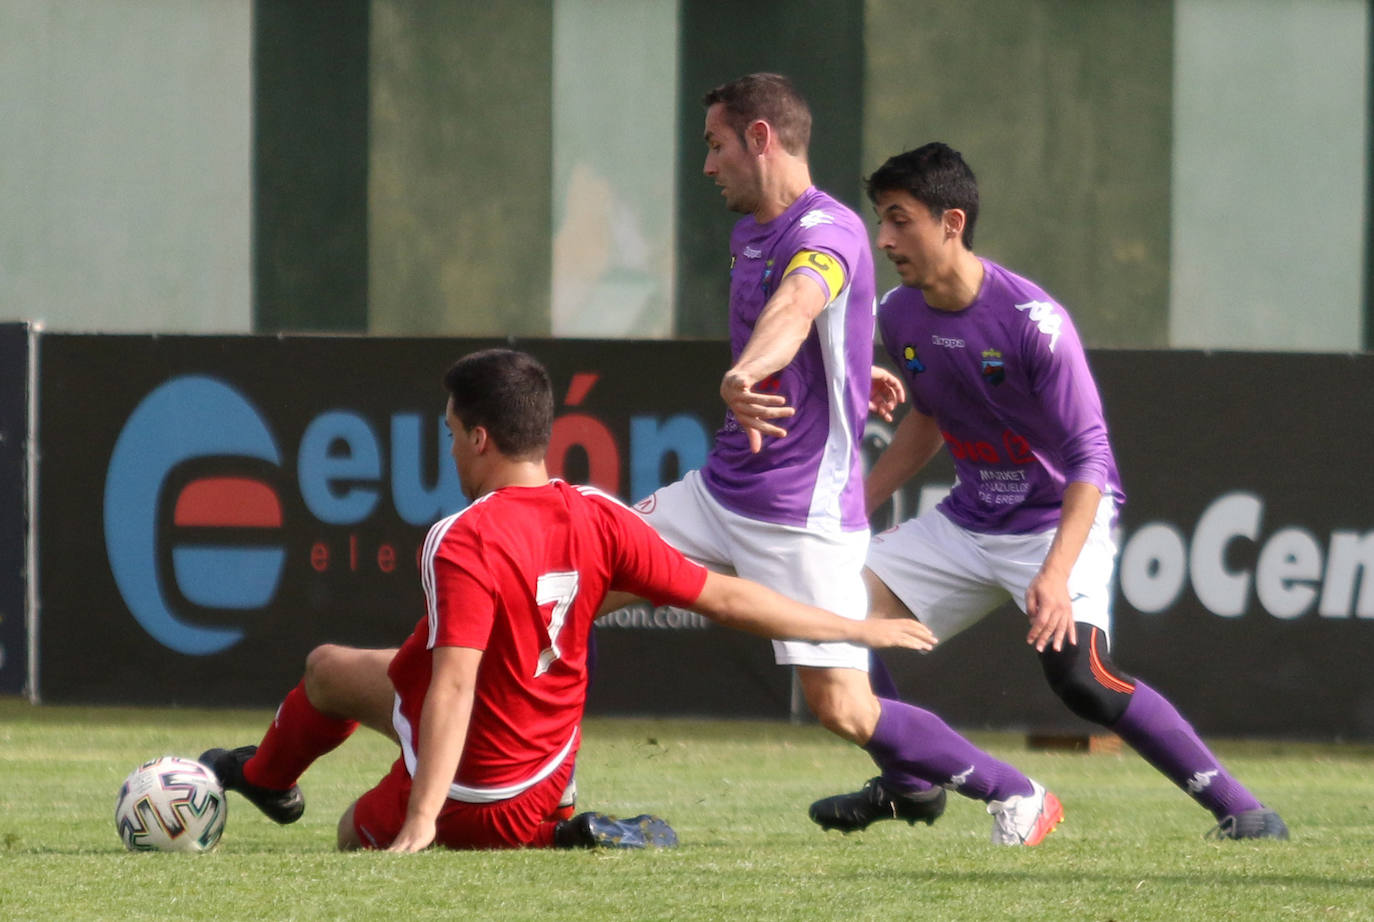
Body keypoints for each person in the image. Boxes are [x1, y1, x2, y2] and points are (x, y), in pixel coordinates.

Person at [198, 348, 934, 853]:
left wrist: (422, 818)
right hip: (546, 774)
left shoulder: (461, 537)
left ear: (481, 438)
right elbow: (728, 597)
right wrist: (849, 629)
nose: (449, 447)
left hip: (473, 794)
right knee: (329, 668)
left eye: (451, 433)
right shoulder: (599, 514)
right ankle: (266, 781)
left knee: (350, 831)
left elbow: (454, 686)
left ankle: (451, 818)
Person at [620, 74, 1065, 847]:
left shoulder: (827, 233)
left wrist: (744, 373)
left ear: (761, 139)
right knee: (577, 577)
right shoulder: (749, 229)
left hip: (801, 517)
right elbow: (822, 325)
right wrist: (855, 372)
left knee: (845, 710)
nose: (707, 165)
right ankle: (516, 785)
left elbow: (798, 305)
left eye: (715, 144)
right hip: (719, 493)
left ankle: (1018, 791)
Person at [807, 142, 1288, 841]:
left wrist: (1055, 574)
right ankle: (910, 785)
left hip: (1058, 522)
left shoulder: (1035, 322)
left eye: (899, 220)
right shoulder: (899, 314)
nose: (883, 238)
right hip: (970, 521)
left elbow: (1091, 456)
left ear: (952, 221)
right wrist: (856, 507)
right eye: (880, 220)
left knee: (1081, 679)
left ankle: (1245, 812)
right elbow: (928, 421)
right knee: (830, 611)